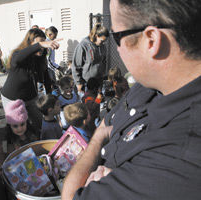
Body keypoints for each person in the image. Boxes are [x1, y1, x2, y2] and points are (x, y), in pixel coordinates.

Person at [62, 0, 201, 199]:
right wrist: (100, 135)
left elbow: (70, 196)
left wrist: (99, 138)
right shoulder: (152, 82)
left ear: (151, 41)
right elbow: (107, 122)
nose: (117, 49)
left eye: (116, 37)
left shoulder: (178, 162)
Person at [1, 28, 59, 130]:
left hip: (31, 97)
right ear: (30, 43)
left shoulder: (40, 59)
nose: (41, 47)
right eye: (38, 44)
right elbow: (17, 59)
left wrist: (50, 98)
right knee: (18, 128)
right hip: (12, 98)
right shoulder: (18, 55)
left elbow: (46, 79)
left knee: (40, 124)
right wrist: (40, 45)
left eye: (43, 42)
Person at [71, 23, 108, 96]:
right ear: (96, 36)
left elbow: (104, 61)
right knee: (88, 105)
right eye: (102, 40)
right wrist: (78, 83)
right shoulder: (83, 46)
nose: (103, 43)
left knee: (97, 104)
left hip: (98, 82)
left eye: (105, 41)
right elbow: (76, 66)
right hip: (86, 84)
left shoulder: (102, 46)